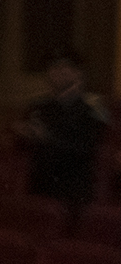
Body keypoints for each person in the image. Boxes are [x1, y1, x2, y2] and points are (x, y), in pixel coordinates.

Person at [21, 50, 109, 207]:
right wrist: (24, 134)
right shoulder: (40, 106)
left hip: (72, 189)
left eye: (63, 67)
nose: (56, 72)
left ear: (78, 73)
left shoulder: (92, 109)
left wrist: (46, 137)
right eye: (53, 68)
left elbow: (85, 148)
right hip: (40, 185)